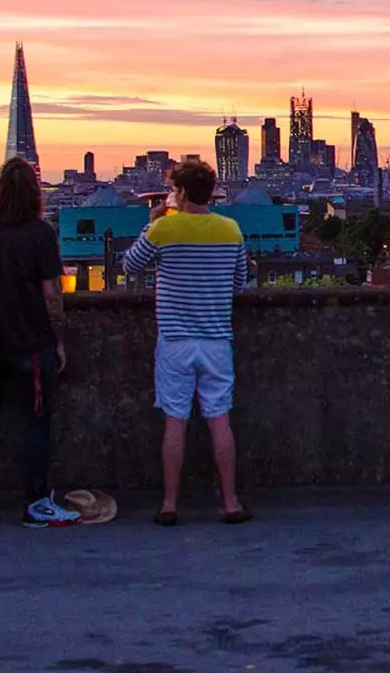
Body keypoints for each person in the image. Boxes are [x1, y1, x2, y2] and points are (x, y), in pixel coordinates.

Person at [124, 161, 251, 526]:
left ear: (178, 192)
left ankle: (169, 504)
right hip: (215, 339)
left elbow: (131, 265)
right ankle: (230, 502)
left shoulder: (164, 228)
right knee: (220, 420)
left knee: (175, 423)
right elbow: (239, 283)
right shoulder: (231, 230)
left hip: (175, 339)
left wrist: (153, 221)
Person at [0, 157, 82, 528]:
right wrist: (58, 338)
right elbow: (51, 294)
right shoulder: (40, 232)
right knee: (36, 422)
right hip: (32, 342)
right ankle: (35, 502)